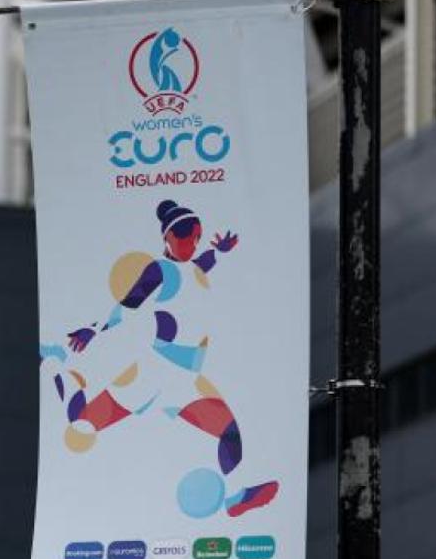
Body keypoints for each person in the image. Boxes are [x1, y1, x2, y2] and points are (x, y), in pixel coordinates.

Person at [40, 199, 278, 519]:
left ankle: (236, 497)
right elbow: (126, 305)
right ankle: (58, 369)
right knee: (83, 425)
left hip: (185, 379)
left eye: (194, 237)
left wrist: (219, 251)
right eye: (181, 238)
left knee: (229, 432)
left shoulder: (193, 267)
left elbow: (203, 262)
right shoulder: (159, 270)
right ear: (166, 238)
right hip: (154, 375)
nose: (189, 244)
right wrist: (93, 330)